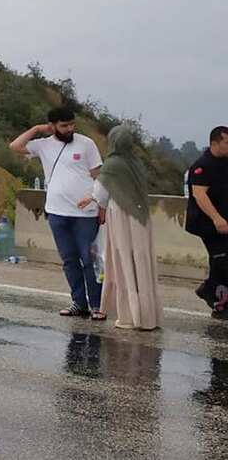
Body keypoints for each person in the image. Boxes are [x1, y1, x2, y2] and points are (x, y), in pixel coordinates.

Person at [10, 107, 104, 319]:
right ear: (52, 126)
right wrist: (36, 129)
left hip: (85, 214)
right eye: (64, 126)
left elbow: (99, 176)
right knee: (69, 260)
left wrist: (100, 203)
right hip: (57, 212)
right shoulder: (43, 145)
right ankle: (79, 303)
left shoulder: (86, 144)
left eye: (72, 124)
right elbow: (15, 146)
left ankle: (97, 305)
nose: (69, 129)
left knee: (89, 261)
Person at [78, 126, 162, 330]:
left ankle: (130, 316)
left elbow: (102, 193)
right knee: (141, 261)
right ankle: (148, 315)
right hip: (141, 217)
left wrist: (92, 200)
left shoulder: (112, 164)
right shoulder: (136, 163)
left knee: (124, 260)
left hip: (122, 216)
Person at [186, 126, 228, 319]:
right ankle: (219, 303)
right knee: (222, 261)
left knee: (221, 262)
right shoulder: (202, 165)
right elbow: (200, 195)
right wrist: (216, 218)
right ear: (214, 143)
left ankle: (210, 290)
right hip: (208, 223)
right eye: (227, 143)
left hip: (224, 221)